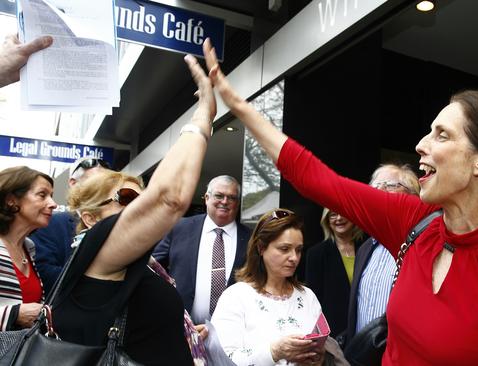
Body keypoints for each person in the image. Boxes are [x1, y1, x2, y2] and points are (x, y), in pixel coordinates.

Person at [204, 40, 478, 365]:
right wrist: (238, 104)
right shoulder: (415, 221)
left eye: (441, 135)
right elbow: (320, 180)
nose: (421, 145)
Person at [48, 40, 218, 365]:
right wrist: (203, 116)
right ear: (90, 219)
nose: (138, 206)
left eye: (140, 198)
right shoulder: (96, 251)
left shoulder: (138, 261)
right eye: (125, 198)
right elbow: (168, 198)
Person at [211, 208, 325, 366]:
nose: (294, 258)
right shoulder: (235, 297)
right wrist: (274, 352)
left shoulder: (307, 297)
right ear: (261, 248)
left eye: (298, 250)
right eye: (284, 249)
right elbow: (222, 359)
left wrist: (317, 358)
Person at [153, 175, 251, 325]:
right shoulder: (179, 228)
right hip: (180, 327)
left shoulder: (251, 238)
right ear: (206, 198)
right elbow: (154, 267)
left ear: (237, 203)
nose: (224, 201)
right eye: (219, 195)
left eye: (231, 197)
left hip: (232, 331)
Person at [346, 164, 419, 346]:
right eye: (375, 187)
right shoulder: (364, 249)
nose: (380, 192)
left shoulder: (422, 246)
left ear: (414, 198)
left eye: (390, 185)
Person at [30, 156, 110, 295]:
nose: (102, 189)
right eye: (95, 182)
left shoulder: (114, 224)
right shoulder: (49, 225)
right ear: (73, 183)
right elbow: (44, 273)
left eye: (107, 184)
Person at [0, 166, 56, 330]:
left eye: (51, 196)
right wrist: (14, 314)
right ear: (11, 200)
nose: (53, 204)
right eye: (42, 195)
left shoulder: (28, 248)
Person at [305, 208, 364, 341]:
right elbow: (314, 299)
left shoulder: (366, 247)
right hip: (334, 332)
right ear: (326, 221)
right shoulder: (316, 253)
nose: (338, 218)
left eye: (342, 213)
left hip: (364, 326)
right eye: (332, 215)